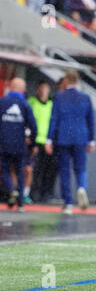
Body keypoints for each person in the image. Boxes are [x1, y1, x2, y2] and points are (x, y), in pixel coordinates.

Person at [45, 70, 96, 215]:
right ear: (78, 81)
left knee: (65, 171)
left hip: (63, 138)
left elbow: (53, 119)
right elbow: (91, 121)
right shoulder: (85, 97)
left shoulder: (59, 97)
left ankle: (68, 203)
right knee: (80, 168)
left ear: (66, 80)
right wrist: (92, 140)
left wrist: (49, 139)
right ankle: (81, 187)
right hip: (81, 137)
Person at [0, 78, 37, 213]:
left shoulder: (2, 102)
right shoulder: (25, 104)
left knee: (4, 171)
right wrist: (33, 144)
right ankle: (20, 203)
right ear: (22, 89)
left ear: (11, 87)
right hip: (19, 144)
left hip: (3, 144)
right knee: (20, 172)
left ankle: (11, 190)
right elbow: (33, 125)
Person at [29, 81, 58, 203]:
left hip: (48, 143)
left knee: (49, 170)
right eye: (41, 88)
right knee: (35, 170)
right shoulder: (32, 102)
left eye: (46, 88)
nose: (43, 91)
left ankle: (47, 194)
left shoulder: (52, 104)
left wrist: (50, 140)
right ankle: (34, 194)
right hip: (36, 141)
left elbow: (54, 123)